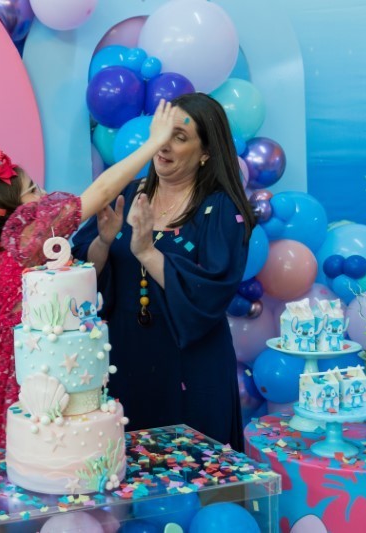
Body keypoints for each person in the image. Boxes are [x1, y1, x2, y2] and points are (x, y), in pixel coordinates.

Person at [0, 100, 180, 455]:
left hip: (5, 366)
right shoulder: (25, 239)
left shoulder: (5, 250)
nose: (43, 195)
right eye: (32, 190)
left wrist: (103, 240)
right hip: (23, 370)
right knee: (34, 454)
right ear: (12, 212)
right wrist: (153, 143)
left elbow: (74, 281)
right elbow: (100, 192)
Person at [71, 93, 256, 450]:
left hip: (191, 367)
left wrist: (146, 250)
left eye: (179, 137)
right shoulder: (127, 193)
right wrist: (104, 242)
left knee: (194, 469)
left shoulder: (221, 209)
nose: (164, 146)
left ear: (205, 153)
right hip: (126, 359)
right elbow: (82, 271)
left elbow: (212, 290)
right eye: (162, 134)